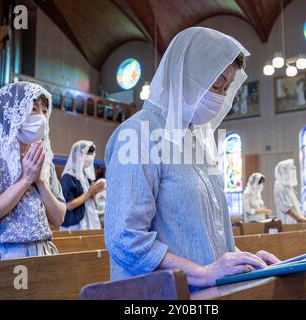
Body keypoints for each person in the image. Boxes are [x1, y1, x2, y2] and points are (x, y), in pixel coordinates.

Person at [104, 27, 280, 289]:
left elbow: (206, 234)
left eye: (226, 87)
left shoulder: (195, 139)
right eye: (216, 84)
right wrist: (200, 272)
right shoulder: (138, 134)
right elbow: (126, 238)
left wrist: (246, 263)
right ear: (187, 74)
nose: (220, 96)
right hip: (158, 295)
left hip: (208, 292)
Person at [0, 82, 66, 262]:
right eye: (33, 109)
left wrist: (41, 182)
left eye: (44, 111)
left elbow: (59, 218)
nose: (41, 118)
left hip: (41, 251)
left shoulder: (42, 158)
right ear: (13, 113)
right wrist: (25, 180)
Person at [60, 140, 105, 230]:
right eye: (88, 154)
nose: (90, 157)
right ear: (78, 155)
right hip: (75, 224)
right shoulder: (68, 177)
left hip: (89, 220)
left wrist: (95, 192)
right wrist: (89, 193)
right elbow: (68, 205)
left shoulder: (86, 176)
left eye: (92, 154)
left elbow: (93, 203)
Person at [274, 159, 306, 224]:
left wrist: (301, 216)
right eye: (291, 169)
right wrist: (299, 218)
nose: (293, 172)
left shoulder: (287, 185)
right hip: (289, 220)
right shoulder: (279, 186)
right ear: (284, 170)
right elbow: (286, 208)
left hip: (296, 219)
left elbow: (294, 204)